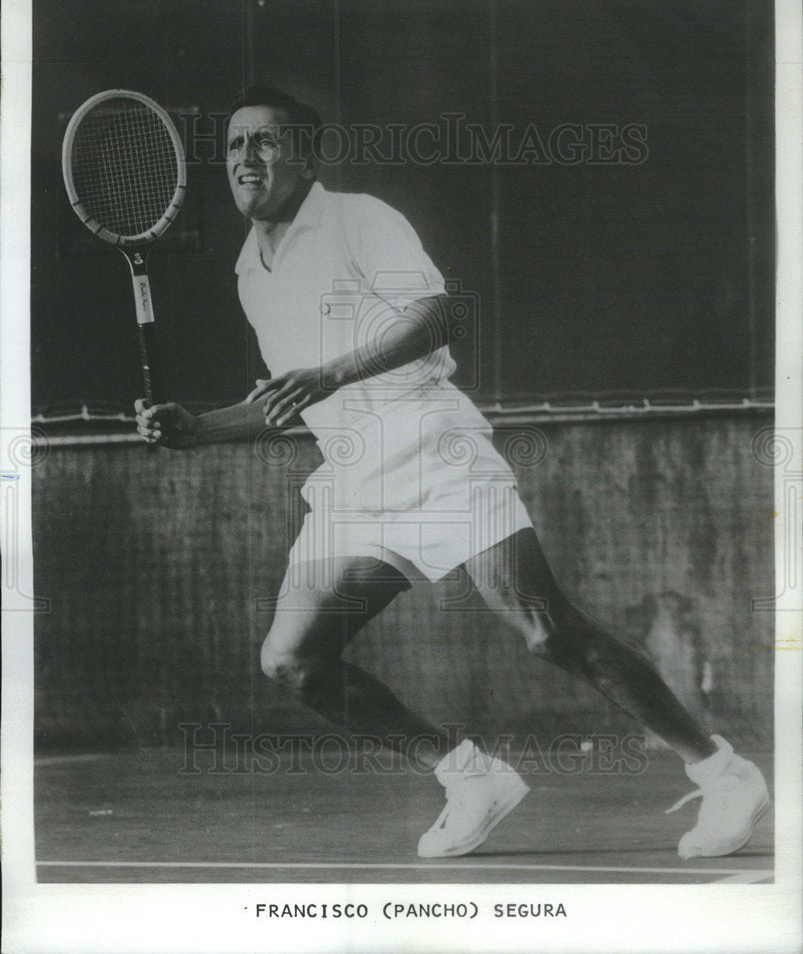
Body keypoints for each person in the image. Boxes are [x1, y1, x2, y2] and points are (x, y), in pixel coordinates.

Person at [135, 84, 769, 860]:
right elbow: (288, 399)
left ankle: (720, 769)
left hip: (434, 447)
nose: (245, 159)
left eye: (265, 142)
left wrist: (330, 373)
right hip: (351, 477)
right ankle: (468, 777)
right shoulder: (250, 272)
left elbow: (436, 314)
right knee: (291, 659)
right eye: (234, 146)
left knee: (546, 631)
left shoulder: (359, 218)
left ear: (306, 155)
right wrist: (197, 429)